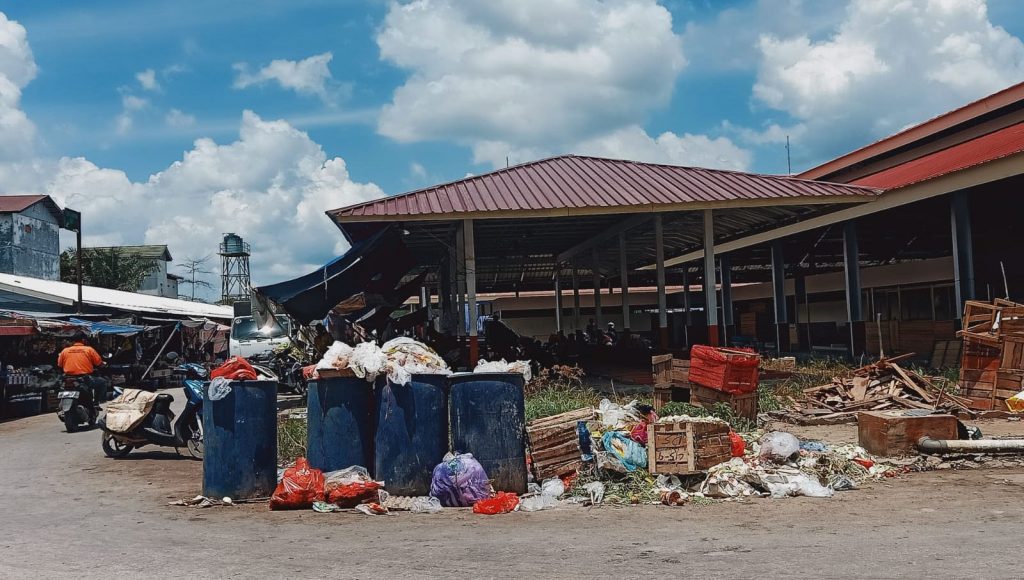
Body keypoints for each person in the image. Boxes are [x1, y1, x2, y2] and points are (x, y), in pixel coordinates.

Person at [57, 335, 106, 404]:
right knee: (102, 382)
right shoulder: (89, 349)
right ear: (83, 340)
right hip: (84, 378)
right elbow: (98, 363)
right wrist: (103, 365)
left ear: (73, 341)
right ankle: (97, 402)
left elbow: (60, 364)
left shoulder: (65, 351)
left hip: (67, 378)